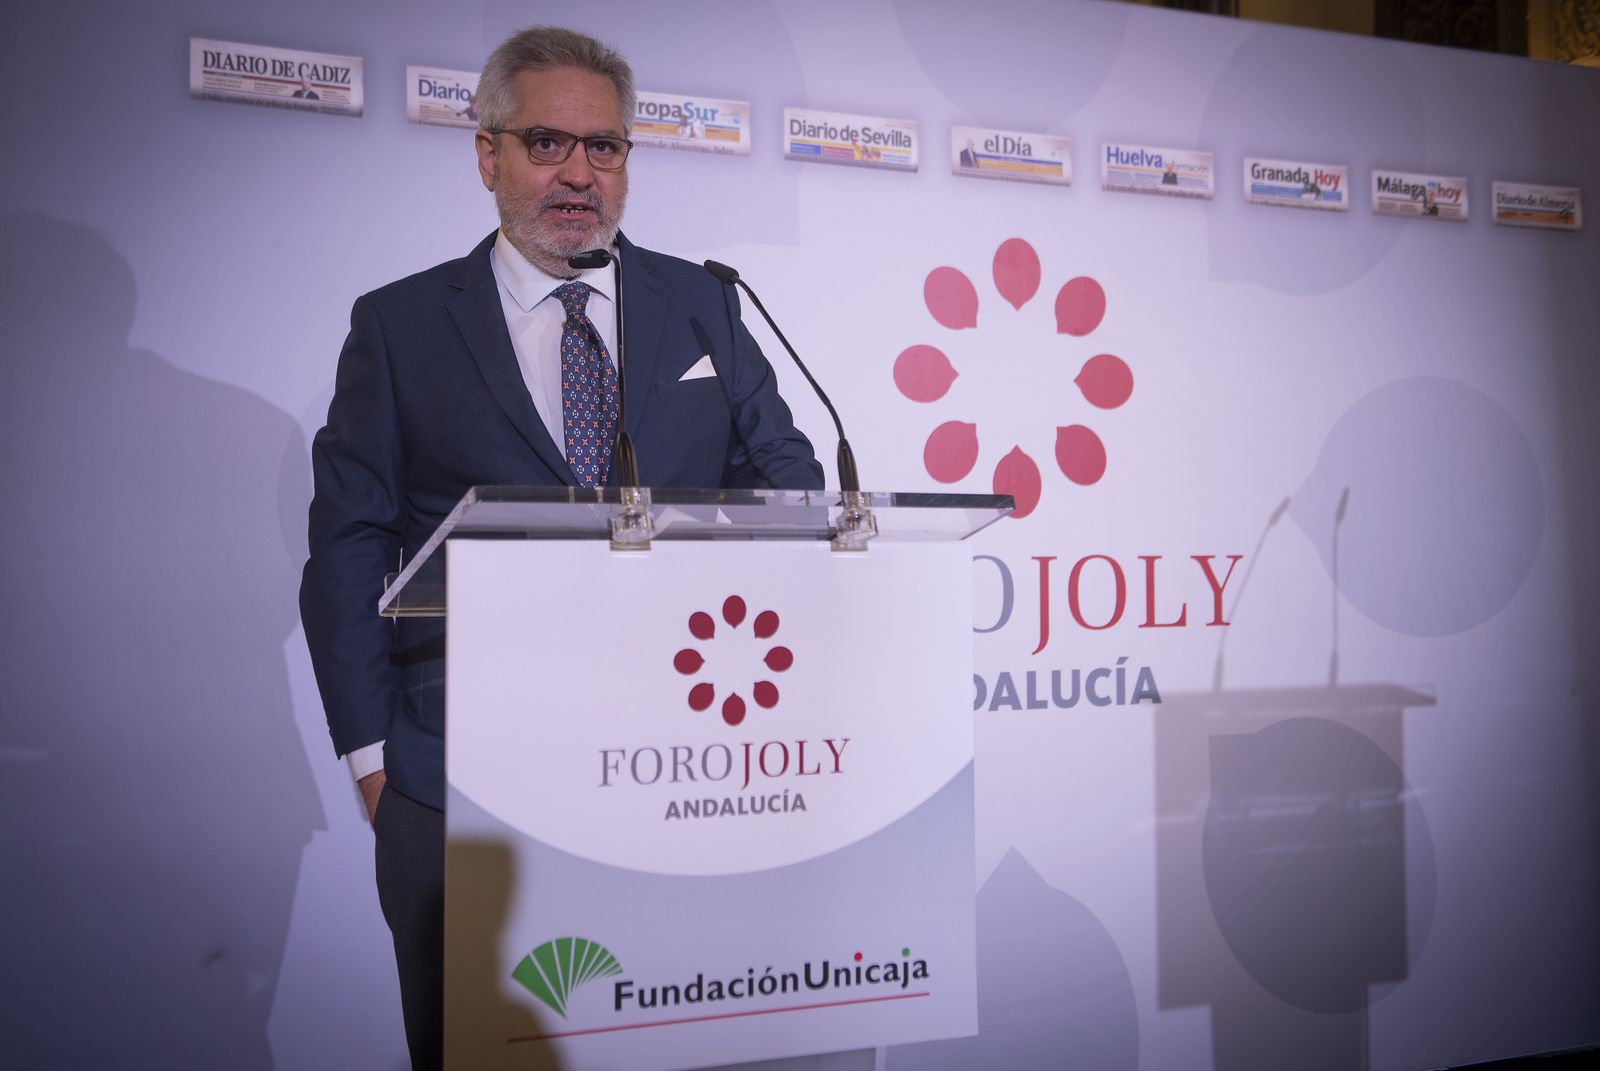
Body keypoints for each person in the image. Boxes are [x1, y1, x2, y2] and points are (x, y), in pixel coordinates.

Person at [298, 25, 822, 1069]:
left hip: (680, 761)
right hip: (462, 776)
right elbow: (350, 544)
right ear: (487, 154)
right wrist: (374, 764)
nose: (580, 173)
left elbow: (790, 485)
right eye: (547, 143)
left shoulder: (704, 303)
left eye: (607, 147)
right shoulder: (400, 327)